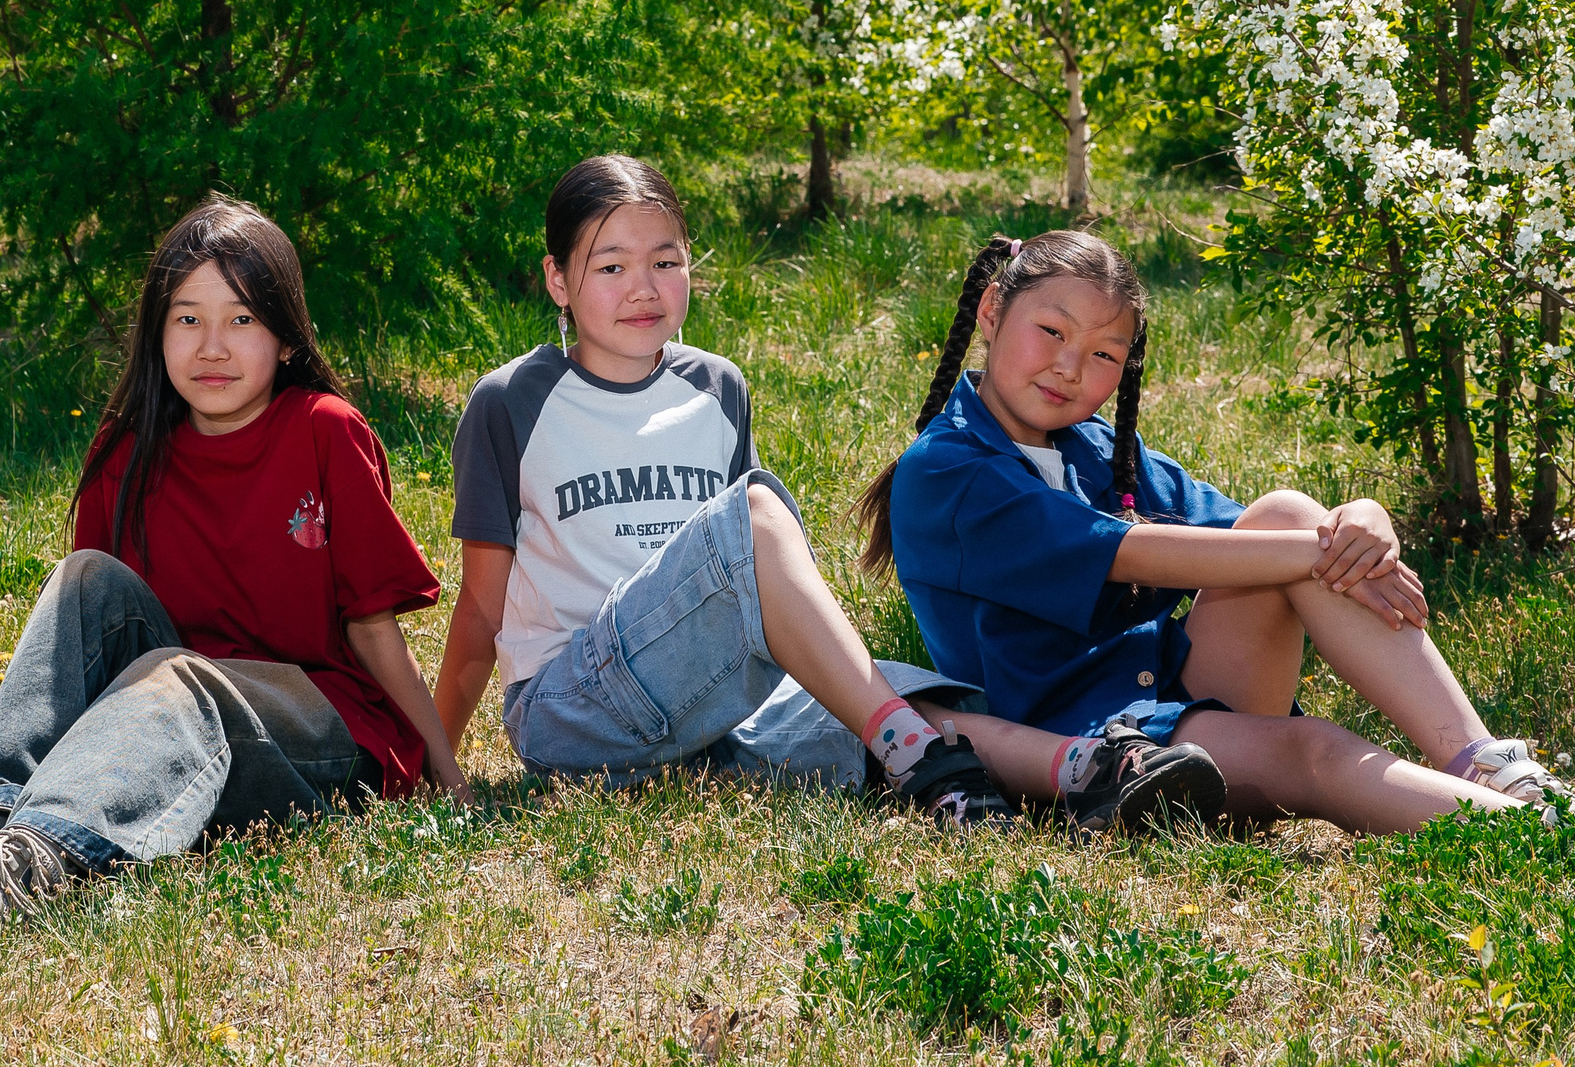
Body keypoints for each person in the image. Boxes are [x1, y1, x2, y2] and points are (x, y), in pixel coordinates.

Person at [431, 156, 1227, 831]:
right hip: (576, 707)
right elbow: (481, 608)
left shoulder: (717, 387)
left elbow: (745, 588)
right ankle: (912, 757)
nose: (644, 288)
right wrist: (438, 757)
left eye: (666, 261)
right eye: (610, 266)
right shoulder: (511, 402)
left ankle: (1093, 774)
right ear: (558, 280)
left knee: (917, 697)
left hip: (721, 701)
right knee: (755, 515)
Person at [862, 228, 1575, 877]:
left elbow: (1247, 531)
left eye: (1105, 354)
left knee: (1291, 514)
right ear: (991, 314)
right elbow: (1137, 555)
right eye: (1052, 331)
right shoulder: (947, 471)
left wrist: (1360, 517)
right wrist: (1318, 546)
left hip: (1175, 688)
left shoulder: (1089, 444)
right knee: (1314, 748)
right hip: (1103, 748)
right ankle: (1557, 839)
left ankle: (1493, 767)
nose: (1073, 367)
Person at [0, 197, 459, 925]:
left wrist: (445, 772)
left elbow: (374, 627)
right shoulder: (126, 448)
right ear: (157, 334)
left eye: (243, 319)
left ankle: (33, 855)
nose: (213, 346)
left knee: (176, 674)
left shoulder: (325, 430)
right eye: (188, 318)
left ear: (287, 339)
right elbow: (83, 659)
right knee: (84, 578)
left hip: (319, 731)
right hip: (161, 719)